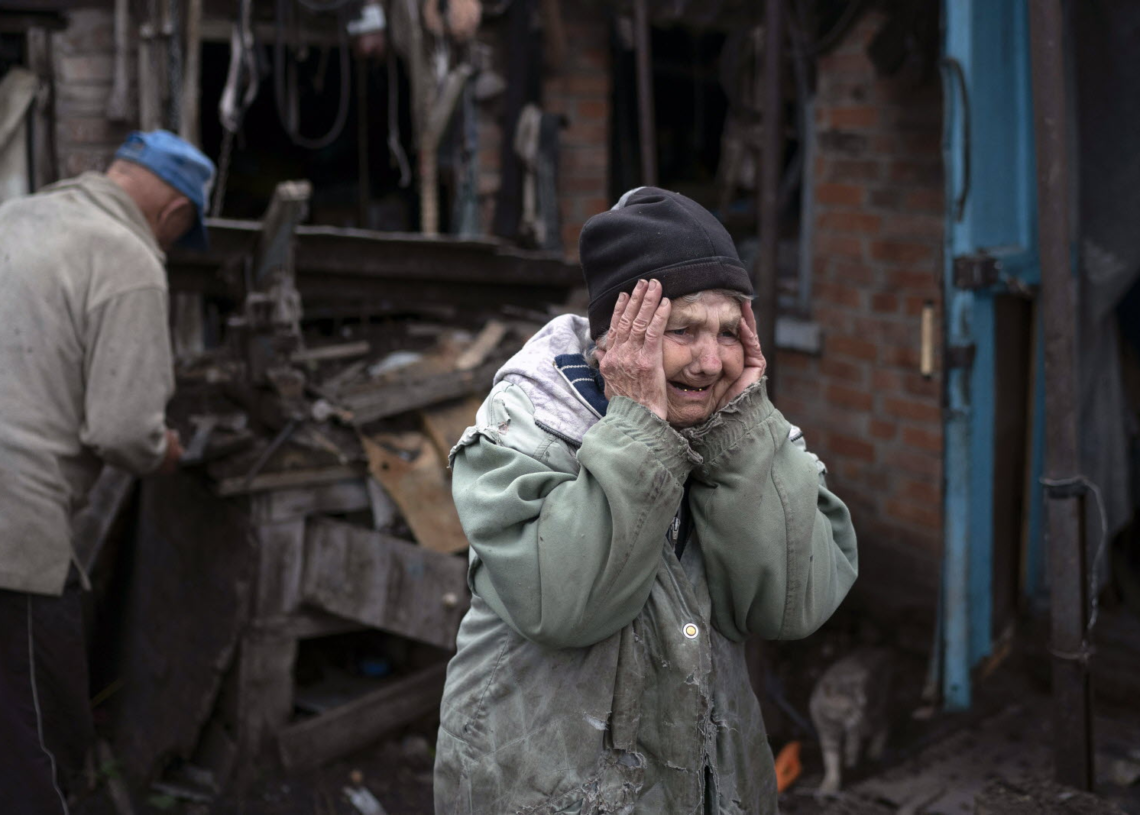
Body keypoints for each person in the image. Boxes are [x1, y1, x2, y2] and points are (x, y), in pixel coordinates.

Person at [435, 187, 858, 814]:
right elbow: (566, 605)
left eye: (727, 332)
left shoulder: (749, 432)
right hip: (542, 791)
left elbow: (793, 607)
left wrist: (743, 436)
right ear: (616, 341)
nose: (711, 361)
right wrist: (640, 425)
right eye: (681, 330)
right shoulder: (524, 428)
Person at [0, 130, 214, 812]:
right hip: (13, 535)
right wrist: (170, 449)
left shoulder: (14, 216)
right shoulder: (128, 257)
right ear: (174, 213)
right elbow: (124, 429)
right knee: (39, 745)